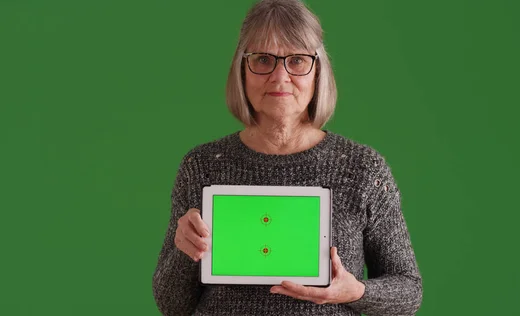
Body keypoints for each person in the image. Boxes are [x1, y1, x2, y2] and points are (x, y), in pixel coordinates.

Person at [152, 0, 423, 315]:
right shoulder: (203, 165)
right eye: (263, 60)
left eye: (296, 60)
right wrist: (183, 249)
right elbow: (172, 304)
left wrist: (355, 292)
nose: (279, 77)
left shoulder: (361, 168)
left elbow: (408, 292)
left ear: (317, 71)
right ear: (242, 70)